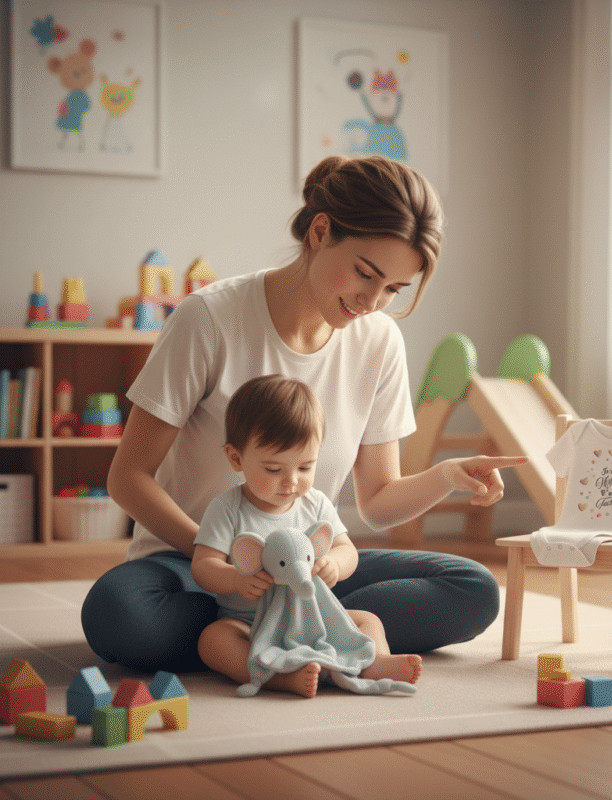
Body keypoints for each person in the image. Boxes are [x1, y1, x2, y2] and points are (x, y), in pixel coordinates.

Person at [81, 154, 528, 673]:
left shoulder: (379, 343)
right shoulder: (208, 320)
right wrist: (221, 559)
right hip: (194, 568)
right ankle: (315, 638)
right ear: (321, 231)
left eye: (393, 290)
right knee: (119, 615)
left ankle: (260, 640)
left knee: (473, 589)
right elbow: (127, 478)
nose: (371, 301)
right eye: (366, 273)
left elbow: (378, 501)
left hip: (308, 573)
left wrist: (446, 476)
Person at [192, 374, 422, 698]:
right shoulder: (228, 507)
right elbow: (203, 565)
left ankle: (374, 662)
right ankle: (276, 678)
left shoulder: (315, 502)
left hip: (314, 618)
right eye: (274, 469)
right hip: (250, 622)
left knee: (367, 620)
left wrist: (335, 565)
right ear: (236, 458)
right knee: (214, 640)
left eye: (305, 467)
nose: (291, 482)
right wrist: (235, 580)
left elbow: (346, 548)